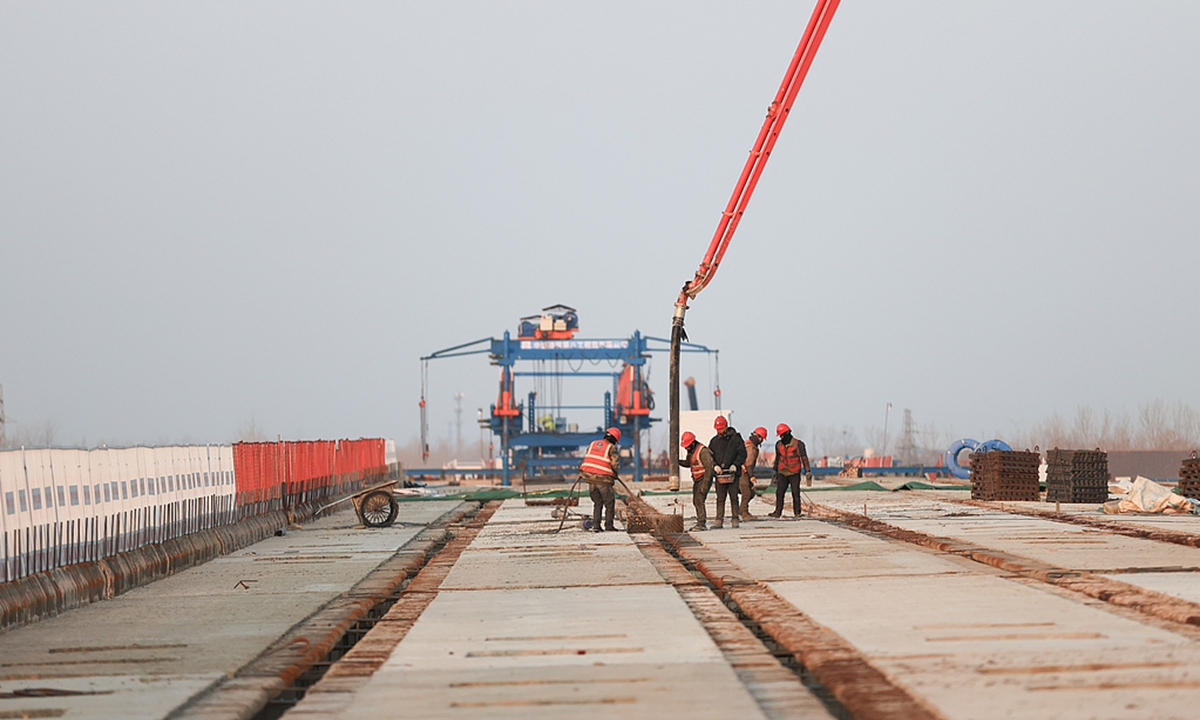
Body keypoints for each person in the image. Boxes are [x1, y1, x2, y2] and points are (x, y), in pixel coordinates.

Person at [579, 427, 621, 532]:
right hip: (603, 479)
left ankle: (596, 525)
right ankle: (609, 525)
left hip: (590, 479)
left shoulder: (593, 443)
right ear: (615, 440)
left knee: (597, 502)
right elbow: (614, 463)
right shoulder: (611, 447)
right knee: (609, 503)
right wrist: (615, 474)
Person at [708, 415, 746, 529]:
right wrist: (714, 466)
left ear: (726, 427)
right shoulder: (714, 442)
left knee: (734, 497)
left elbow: (742, 454)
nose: (719, 431)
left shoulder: (736, 440)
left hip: (733, 474)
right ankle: (719, 520)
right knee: (720, 498)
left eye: (721, 429)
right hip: (720, 475)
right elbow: (710, 456)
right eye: (717, 429)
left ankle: (735, 518)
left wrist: (736, 464)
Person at [770, 423, 812, 518]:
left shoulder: (798, 444)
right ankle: (777, 512)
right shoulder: (778, 445)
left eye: (782, 435)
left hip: (794, 472)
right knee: (779, 493)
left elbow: (804, 458)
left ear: (788, 433)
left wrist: (807, 471)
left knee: (795, 493)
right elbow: (778, 458)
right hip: (782, 472)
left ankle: (797, 512)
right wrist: (775, 471)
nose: (781, 437)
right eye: (780, 436)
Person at [680, 430, 714, 531]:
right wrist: (677, 461)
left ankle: (701, 523)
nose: (686, 448)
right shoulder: (691, 451)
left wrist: (705, 484)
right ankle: (700, 521)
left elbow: (709, 469)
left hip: (704, 478)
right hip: (697, 479)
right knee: (695, 501)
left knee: (699, 500)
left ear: (693, 443)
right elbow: (688, 463)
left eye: (687, 446)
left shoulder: (703, 451)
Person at [739, 426, 768, 520]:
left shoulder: (746, 443)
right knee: (747, 492)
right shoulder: (751, 448)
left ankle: (741, 510)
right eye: (762, 439)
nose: (761, 441)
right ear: (759, 437)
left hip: (742, 471)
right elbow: (749, 464)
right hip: (743, 472)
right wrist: (751, 476)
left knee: (750, 492)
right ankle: (744, 513)